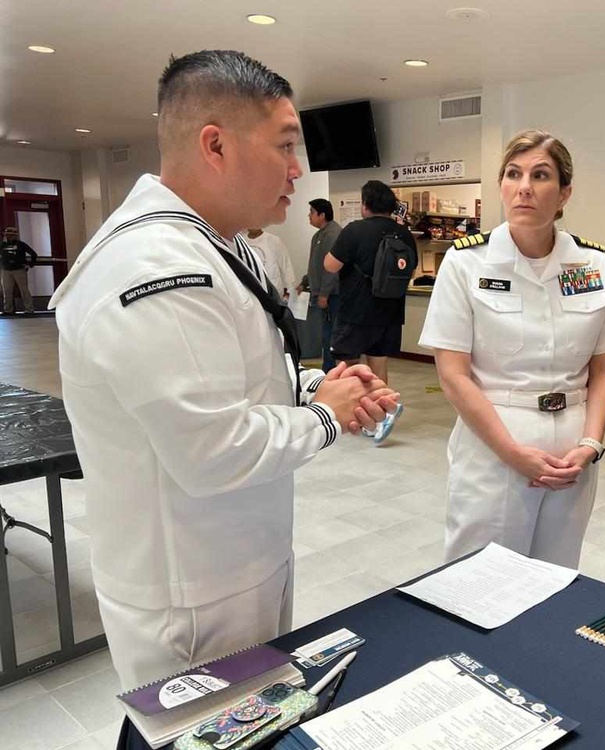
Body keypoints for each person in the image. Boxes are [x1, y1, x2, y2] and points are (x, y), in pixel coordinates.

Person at [49, 50, 398, 700]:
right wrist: (328, 416)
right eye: (286, 147)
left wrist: (312, 387)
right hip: (192, 599)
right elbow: (210, 451)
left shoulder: (222, 242)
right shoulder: (152, 265)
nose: (299, 171)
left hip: (238, 563)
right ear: (216, 145)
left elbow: (236, 378)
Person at [418, 130, 605, 567]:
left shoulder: (592, 264)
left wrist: (591, 443)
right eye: (513, 174)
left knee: (557, 572)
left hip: (573, 443)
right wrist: (512, 452)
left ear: (564, 193)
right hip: (496, 438)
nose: (524, 187)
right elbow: (452, 374)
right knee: (482, 576)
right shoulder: (467, 262)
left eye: (541, 175)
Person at [323, 180, 417, 385]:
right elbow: (411, 270)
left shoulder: (354, 230)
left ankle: (350, 413)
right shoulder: (405, 234)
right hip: (390, 313)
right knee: (379, 367)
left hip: (355, 312)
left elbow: (330, 265)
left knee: (347, 368)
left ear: (365, 204)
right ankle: (382, 412)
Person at [297, 198, 341, 371]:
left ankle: (330, 371)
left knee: (331, 335)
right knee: (325, 335)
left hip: (332, 295)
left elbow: (332, 268)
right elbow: (316, 265)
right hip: (320, 293)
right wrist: (303, 283)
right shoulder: (318, 236)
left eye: (312, 212)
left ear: (322, 215)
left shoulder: (333, 235)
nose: (309, 216)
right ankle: (328, 368)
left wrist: (324, 293)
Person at [244, 226, 297, 299]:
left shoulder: (274, 241)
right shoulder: (241, 241)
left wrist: (290, 290)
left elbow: (286, 266)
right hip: (250, 294)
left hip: (273, 294)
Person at [0, 226, 38, 314]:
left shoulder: (21, 244)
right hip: (6, 271)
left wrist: (30, 265)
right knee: (7, 291)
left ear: (15, 235)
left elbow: (33, 254)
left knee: (24, 290)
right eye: (7, 235)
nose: (9, 236)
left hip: (19, 270)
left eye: (11, 235)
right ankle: (8, 310)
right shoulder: (2, 245)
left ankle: (29, 309)